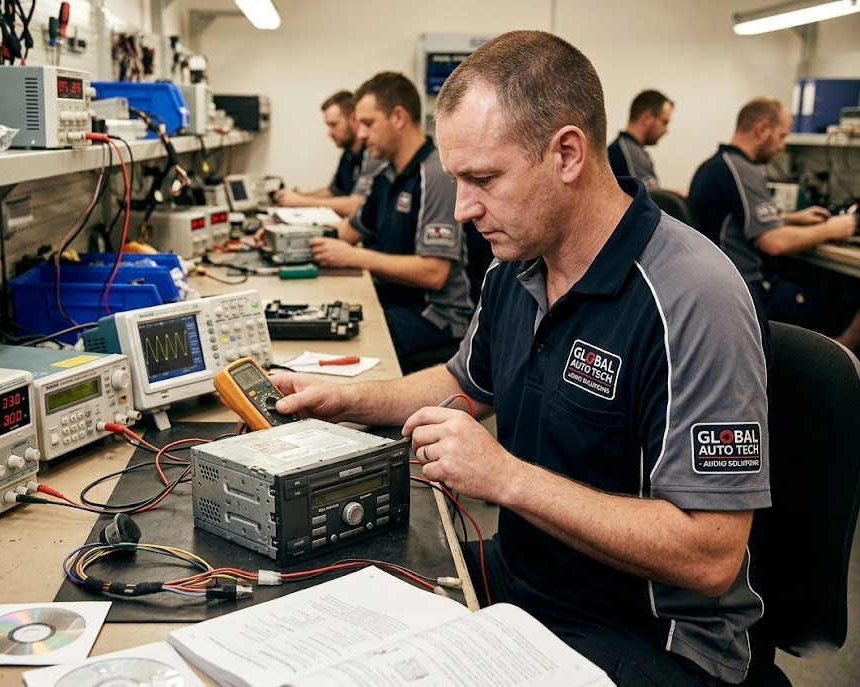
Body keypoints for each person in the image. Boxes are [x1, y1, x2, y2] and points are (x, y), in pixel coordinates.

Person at [271, 31, 770, 686]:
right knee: (326, 602)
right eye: (457, 180)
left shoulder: (692, 297)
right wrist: (340, 397)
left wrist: (505, 476)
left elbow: (710, 553)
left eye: (483, 178)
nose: (465, 208)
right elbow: (462, 384)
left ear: (567, 153)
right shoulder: (517, 264)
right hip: (527, 580)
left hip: (645, 635)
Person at [309, 72, 474, 361]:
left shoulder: (435, 175)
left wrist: (354, 257)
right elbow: (351, 230)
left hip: (435, 318)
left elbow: (434, 272)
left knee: (340, 349)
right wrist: (284, 240)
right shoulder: (385, 174)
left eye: (368, 124)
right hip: (391, 300)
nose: (361, 134)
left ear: (398, 117)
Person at [689, 97, 860, 351]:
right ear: (762, 130)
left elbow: (736, 219)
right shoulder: (742, 169)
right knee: (848, 308)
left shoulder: (715, 165)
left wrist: (792, 218)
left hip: (720, 291)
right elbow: (774, 243)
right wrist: (836, 228)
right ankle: (835, 366)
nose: (782, 147)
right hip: (752, 295)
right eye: (781, 136)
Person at [273, 90, 380, 217]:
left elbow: (357, 204)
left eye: (333, 125)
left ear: (353, 118)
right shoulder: (348, 154)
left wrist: (301, 201)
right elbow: (333, 191)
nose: (329, 132)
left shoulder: (373, 152)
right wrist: (296, 196)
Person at [607, 90, 672, 190]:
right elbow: (653, 199)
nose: (666, 130)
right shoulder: (630, 153)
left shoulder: (628, 149)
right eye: (664, 122)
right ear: (647, 118)